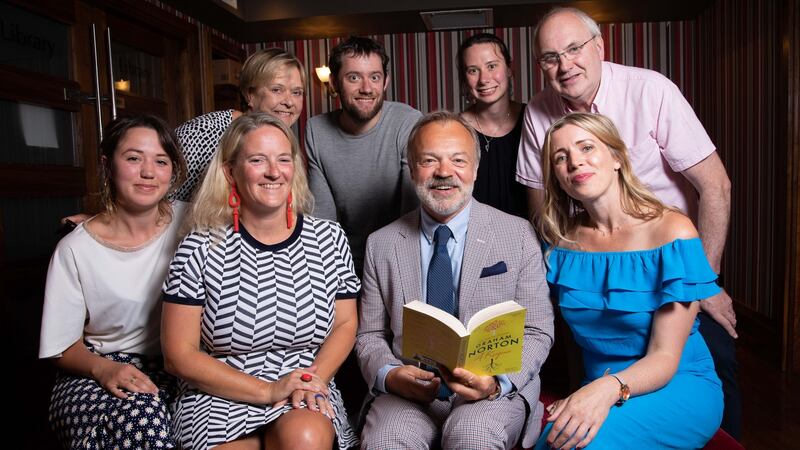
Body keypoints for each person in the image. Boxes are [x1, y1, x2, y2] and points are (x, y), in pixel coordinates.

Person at [516, 6, 740, 437]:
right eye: (550, 57)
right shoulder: (563, 244)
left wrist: (702, 283)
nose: (565, 65)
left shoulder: (649, 90)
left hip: (671, 266)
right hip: (603, 345)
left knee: (718, 358)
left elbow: (716, 187)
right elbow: (541, 213)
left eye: (575, 49)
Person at [355, 111, 554, 450]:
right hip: (409, 393)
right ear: (411, 168)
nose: (444, 172)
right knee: (385, 440)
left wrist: (495, 383)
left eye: (458, 160)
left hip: (492, 390)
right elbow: (371, 334)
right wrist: (389, 374)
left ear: (475, 168)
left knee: (472, 436)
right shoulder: (382, 243)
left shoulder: (518, 234)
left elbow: (538, 330)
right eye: (429, 160)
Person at [161, 112, 359, 450]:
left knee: (306, 437)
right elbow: (178, 354)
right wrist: (267, 390)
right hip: (219, 393)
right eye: (257, 160)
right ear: (230, 172)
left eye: (284, 159)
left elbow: (345, 324)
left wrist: (311, 381)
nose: (273, 171)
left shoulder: (329, 238)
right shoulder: (198, 247)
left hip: (305, 382)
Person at [535, 112, 723, 449]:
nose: (575, 162)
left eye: (586, 147)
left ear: (617, 158)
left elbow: (665, 358)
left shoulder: (672, 232)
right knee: (552, 442)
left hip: (675, 383)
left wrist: (604, 391)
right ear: (558, 178)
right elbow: (559, 337)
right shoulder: (561, 244)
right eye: (560, 158)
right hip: (597, 385)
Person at [39, 114, 188, 449]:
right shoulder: (76, 248)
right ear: (108, 165)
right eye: (133, 158)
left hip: (177, 365)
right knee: (141, 417)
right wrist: (103, 370)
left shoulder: (192, 222)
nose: (148, 172)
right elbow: (61, 347)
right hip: (96, 367)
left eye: (161, 161)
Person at [305, 36, 422, 275]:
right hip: (344, 262)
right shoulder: (316, 130)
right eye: (354, 77)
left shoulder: (407, 122)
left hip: (401, 257)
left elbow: (411, 214)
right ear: (335, 83)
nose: (367, 88)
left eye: (375, 77)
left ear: (385, 81)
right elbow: (323, 223)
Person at [175, 48, 306, 202]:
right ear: (250, 95)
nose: (289, 102)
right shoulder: (203, 132)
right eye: (277, 90)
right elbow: (163, 198)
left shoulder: (283, 140)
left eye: (297, 92)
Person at [457, 33, 527, 218]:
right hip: (475, 238)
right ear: (464, 80)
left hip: (530, 237)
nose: (484, 79)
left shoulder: (534, 121)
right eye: (473, 70)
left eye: (492, 66)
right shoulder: (455, 129)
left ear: (509, 70)